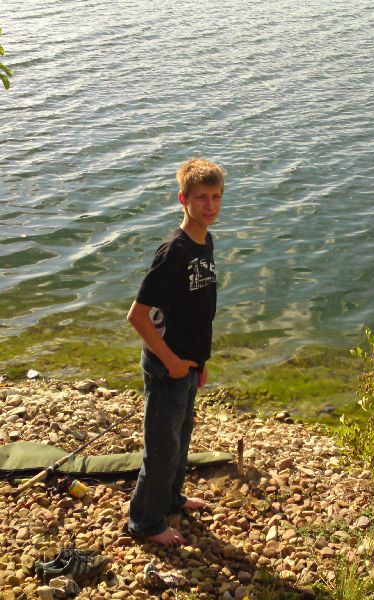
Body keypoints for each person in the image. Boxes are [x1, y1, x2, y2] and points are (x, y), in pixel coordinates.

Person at [127, 158, 224, 547]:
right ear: (183, 199)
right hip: (167, 367)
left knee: (181, 439)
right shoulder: (174, 252)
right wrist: (170, 362)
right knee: (161, 449)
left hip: (188, 364)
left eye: (216, 197)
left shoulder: (205, 241)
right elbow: (138, 317)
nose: (210, 206)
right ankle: (145, 522)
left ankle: (170, 499)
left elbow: (196, 310)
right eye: (201, 198)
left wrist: (200, 362)